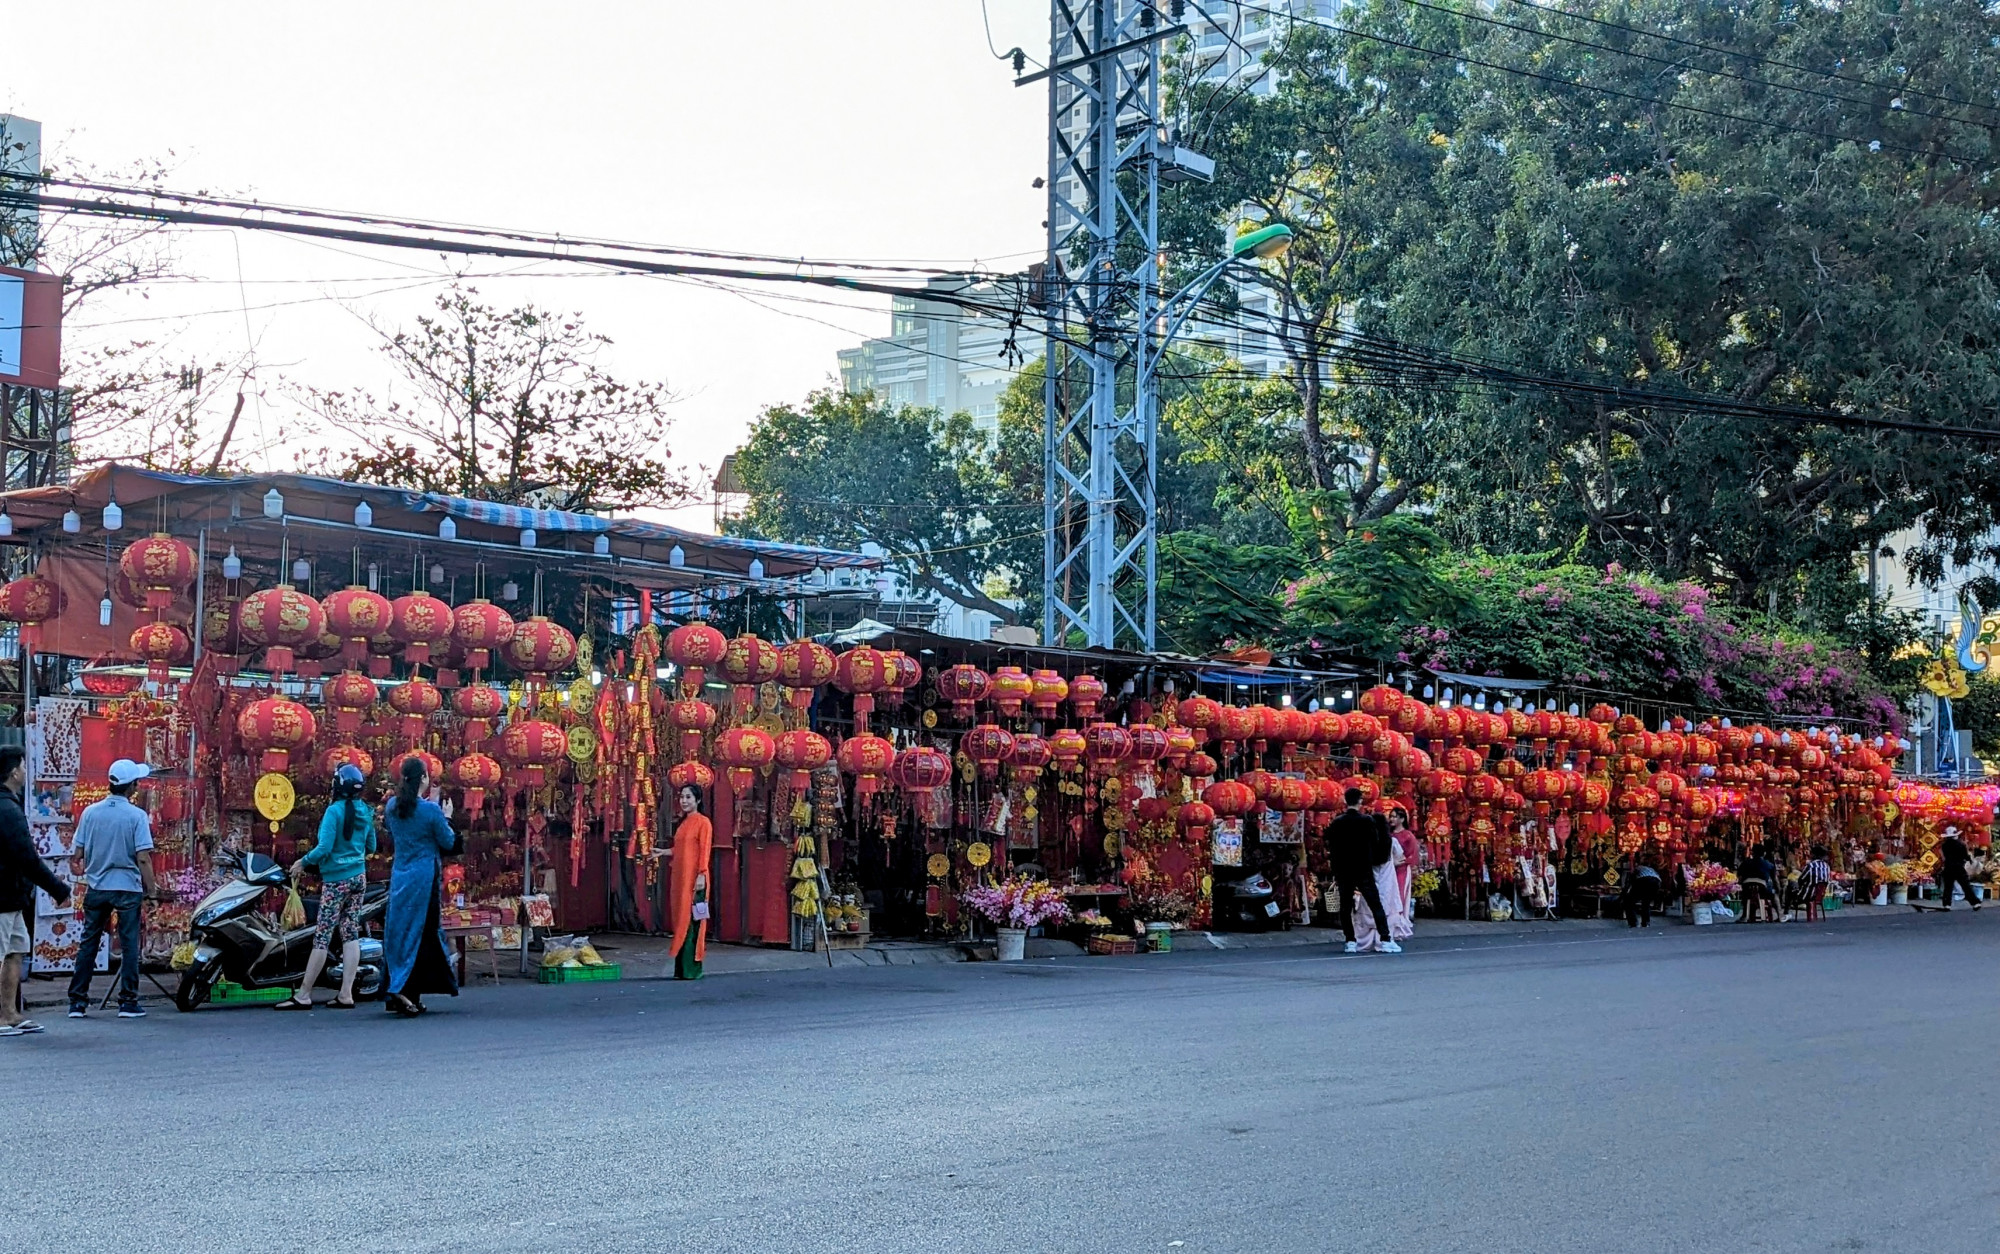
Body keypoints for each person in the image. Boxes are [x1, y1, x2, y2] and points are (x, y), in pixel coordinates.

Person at [67, 760, 163, 1019]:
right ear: (132, 786)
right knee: (130, 944)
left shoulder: (90, 813)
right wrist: (152, 891)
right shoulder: (136, 816)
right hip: (127, 888)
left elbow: (77, 854)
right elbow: (143, 858)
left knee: (89, 942)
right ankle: (128, 1001)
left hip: (97, 886)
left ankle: (77, 1001)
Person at [276, 763, 376, 1011]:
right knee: (350, 933)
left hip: (336, 881)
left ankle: (304, 994)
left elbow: (324, 849)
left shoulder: (334, 812)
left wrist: (302, 862)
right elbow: (371, 847)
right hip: (358, 878)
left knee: (322, 936)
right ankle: (346, 994)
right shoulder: (365, 810)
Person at [381, 755, 459, 1017]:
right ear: (423, 778)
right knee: (423, 933)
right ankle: (403, 988)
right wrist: (447, 817)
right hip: (424, 879)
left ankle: (405, 989)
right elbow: (448, 842)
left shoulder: (393, 807)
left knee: (402, 932)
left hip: (401, 877)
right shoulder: (431, 811)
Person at [0, 745, 68, 1036]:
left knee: (15, 952)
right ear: (14, 771)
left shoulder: (9, 804)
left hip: (13, 896)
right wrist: (57, 887)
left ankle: (11, 1014)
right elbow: (26, 857)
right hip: (2, 896)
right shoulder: (6, 809)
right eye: (24, 766)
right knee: (3, 953)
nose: (26, 771)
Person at [1325, 788, 1397, 955]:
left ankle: (1350, 940)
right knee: (1375, 903)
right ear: (1360, 801)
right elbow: (1375, 842)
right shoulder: (1367, 821)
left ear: (1345, 801)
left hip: (1343, 869)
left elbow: (1332, 846)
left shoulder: (1337, 822)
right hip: (1363, 868)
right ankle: (1385, 939)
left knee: (1345, 905)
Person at [662, 784, 715, 979]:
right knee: (680, 919)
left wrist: (701, 874)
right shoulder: (684, 823)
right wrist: (664, 852)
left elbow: (704, 851)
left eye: (688, 797)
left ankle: (692, 969)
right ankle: (681, 970)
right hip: (680, 879)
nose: (684, 801)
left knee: (693, 921)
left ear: (698, 800)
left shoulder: (703, 822)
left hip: (695, 880)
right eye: (682, 797)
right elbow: (682, 850)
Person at [1386, 805, 1421, 936]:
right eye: (1391, 816)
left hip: (1402, 869)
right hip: (1390, 869)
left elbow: (1412, 854)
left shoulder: (1408, 835)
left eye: (1394, 816)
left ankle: (1399, 922)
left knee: (1400, 894)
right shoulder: (1389, 834)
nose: (1391, 819)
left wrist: (1402, 862)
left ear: (1402, 819)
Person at [1937, 825, 1981, 911]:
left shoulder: (1944, 845)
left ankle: (1946, 905)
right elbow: (1965, 856)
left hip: (1948, 867)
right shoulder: (1961, 844)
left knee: (1948, 887)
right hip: (1959, 867)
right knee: (1966, 886)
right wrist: (1970, 859)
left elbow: (1944, 857)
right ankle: (1975, 903)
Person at [1621, 856, 1662, 928]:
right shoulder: (1651, 869)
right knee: (1646, 903)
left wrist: (1625, 893)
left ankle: (1633, 922)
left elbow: (1630, 882)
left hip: (1643, 881)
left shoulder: (1637, 868)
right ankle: (1646, 922)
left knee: (1629, 902)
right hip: (1656, 883)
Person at [1737, 846, 1774, 923]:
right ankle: (1778, 915)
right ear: (1764, 854)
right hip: (1763, 890)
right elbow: (1774, 879)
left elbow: (1739, 877)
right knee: (1772, 893)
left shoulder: (1746, 862)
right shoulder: (1768, 864)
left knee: (1746, 896)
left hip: (1747, 889)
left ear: (1752, 853)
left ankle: (1744, 915)